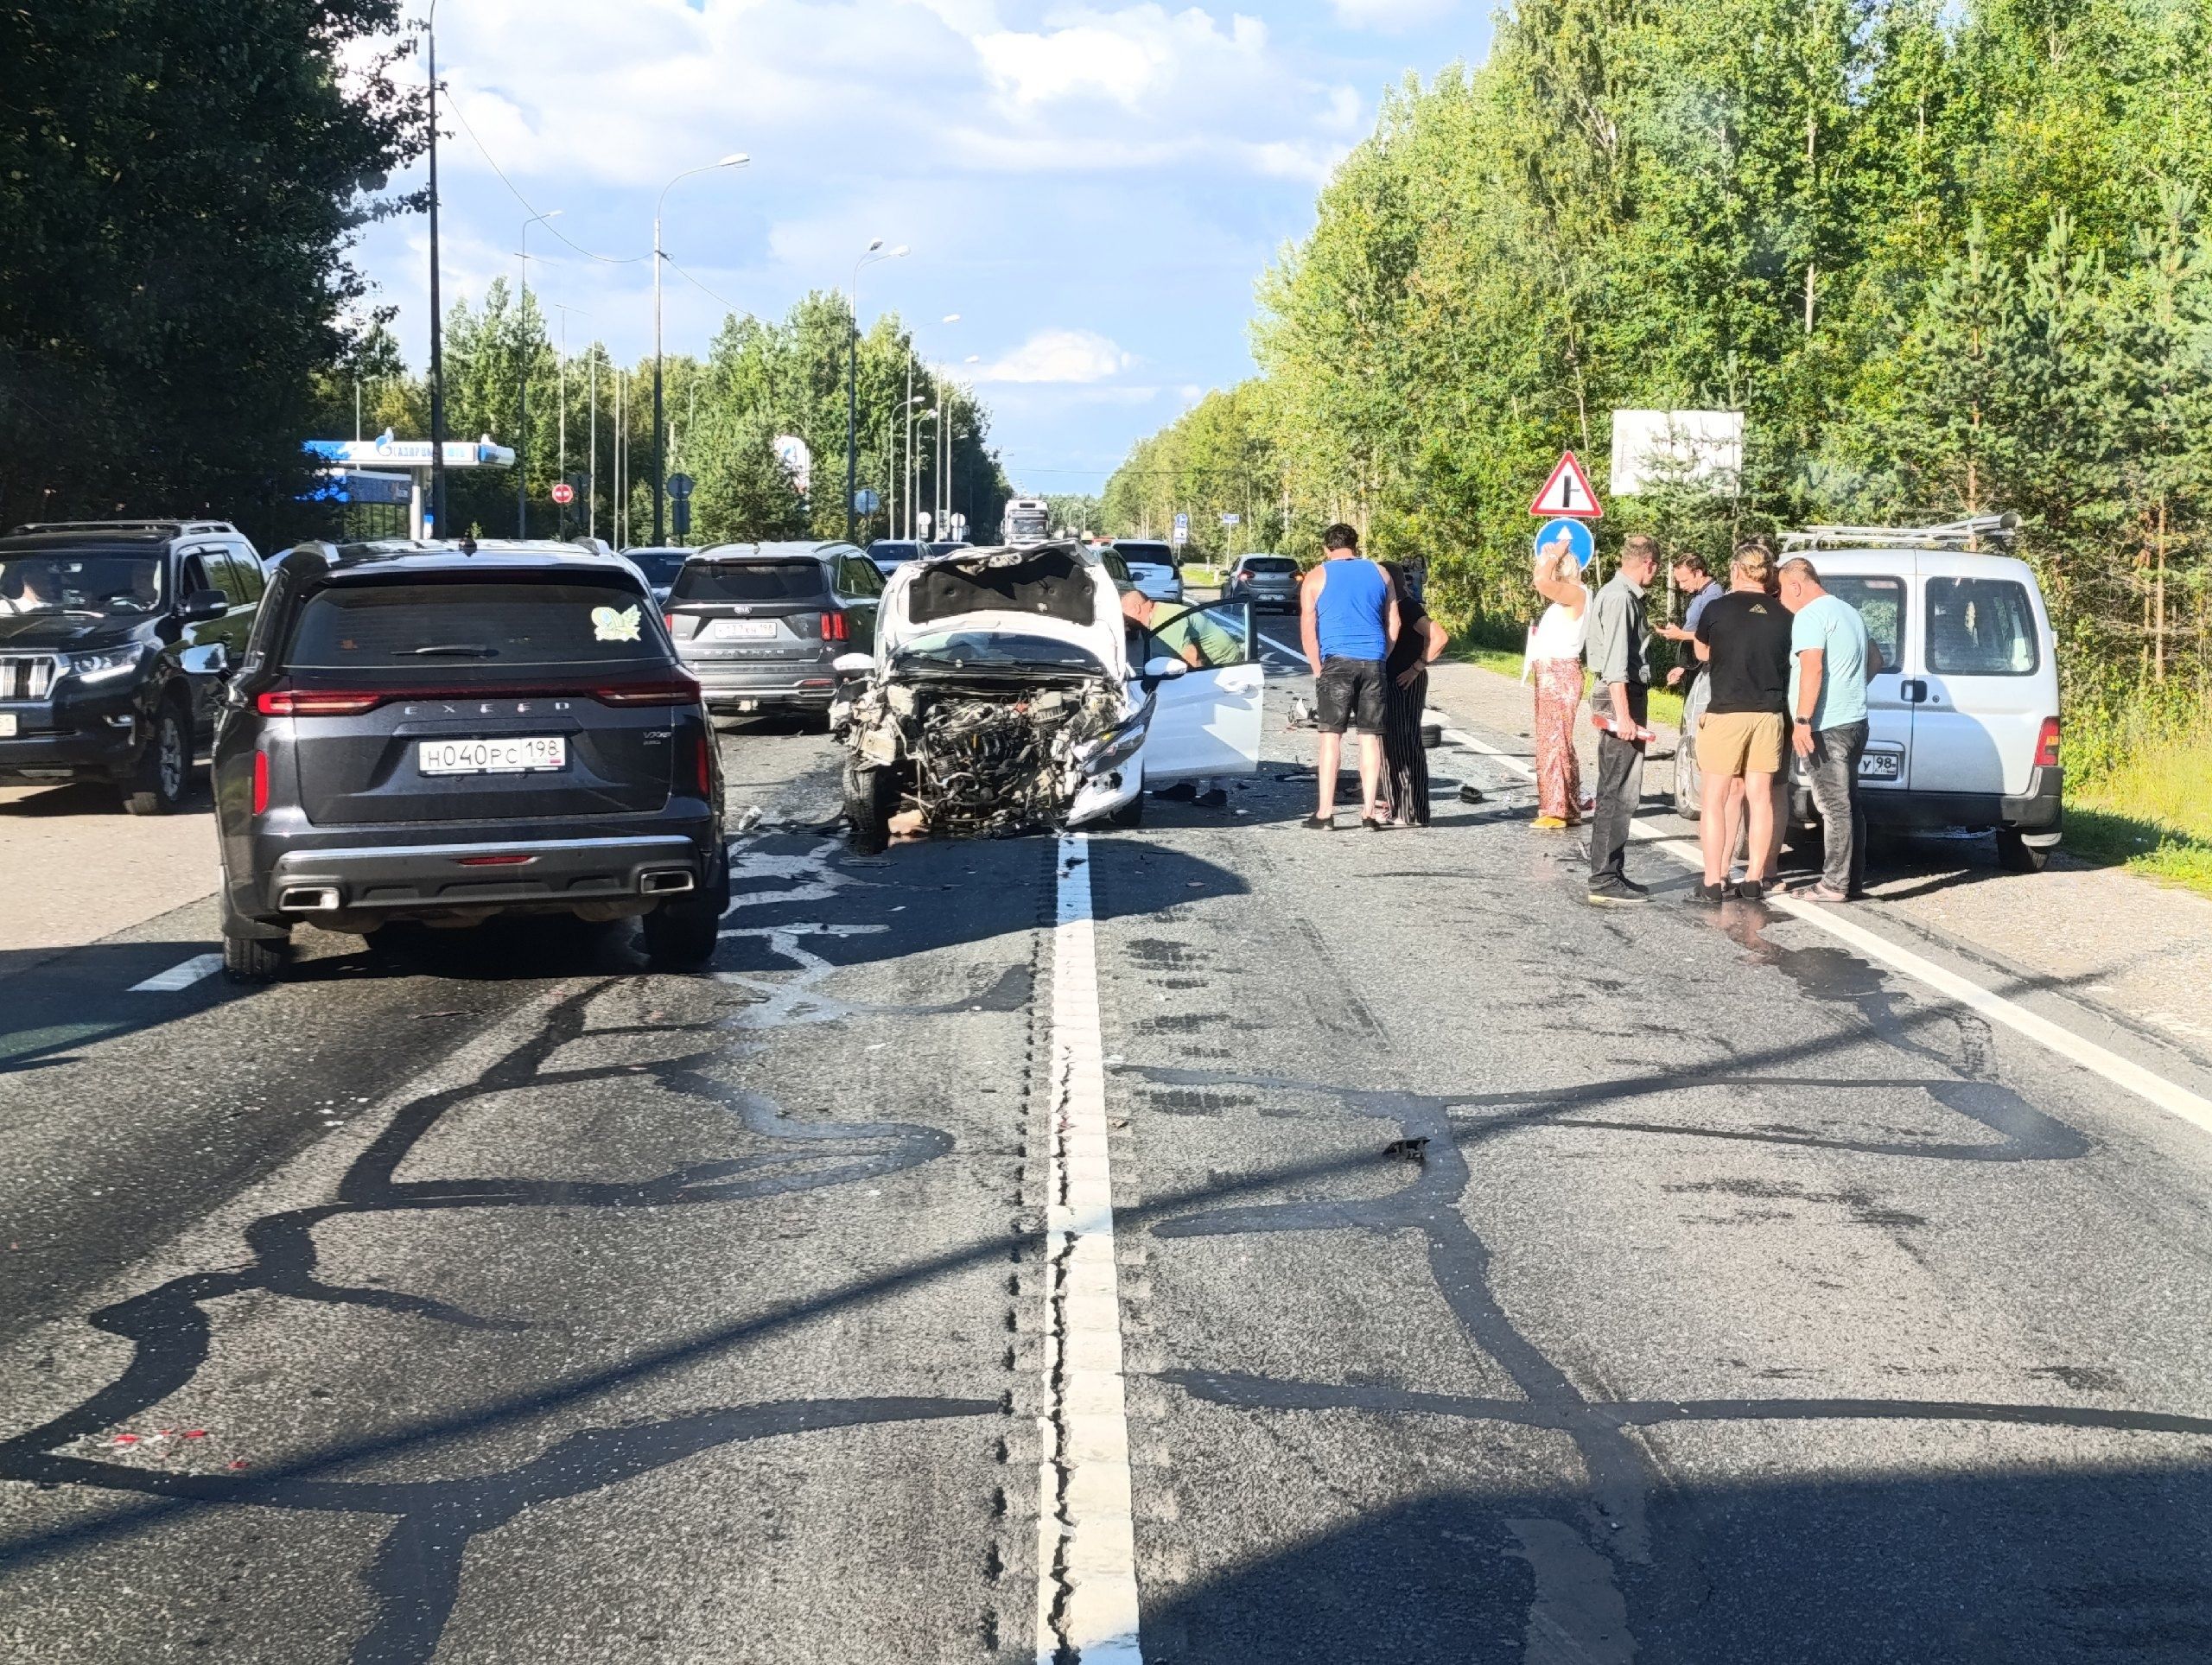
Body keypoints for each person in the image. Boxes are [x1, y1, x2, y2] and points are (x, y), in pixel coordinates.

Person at [1690, 543, 1791, 902]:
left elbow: (1702, 652)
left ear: (1736, 571)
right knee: (1760, 797)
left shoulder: (1717, 608)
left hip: (1727, 710)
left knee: (1715, 798)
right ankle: (1753, 880)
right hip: (1769, 715)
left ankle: (1713, 880)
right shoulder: (1784, 614)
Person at [1780, 555, 1881, 901]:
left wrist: (1803, 720)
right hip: (1855, 720)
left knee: (1833, 807)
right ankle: (1851, 881)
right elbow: (1876, 660)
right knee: (1850, 804)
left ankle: (1834, 884)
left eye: (1782, 591)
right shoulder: (1849, 612)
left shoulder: (1810, 615)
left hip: (1826, 725)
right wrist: (1851, 686)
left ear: (1796, 584)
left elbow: (1813, 669)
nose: (1782, 600)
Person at [1299, 523, 1397, 829]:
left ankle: (1325, 813)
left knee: (1331, 738)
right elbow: (1394, 622)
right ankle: (1369, 814)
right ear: (1356, 545)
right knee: (1370, 738)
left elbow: (1308, 631)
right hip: (1373, 660)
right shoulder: (1381, 573)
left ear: (1327, 548)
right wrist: (1383, 656)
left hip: (1336, 662)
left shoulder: (1316, 576)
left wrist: (1318, 669)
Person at [1585, 533, 1659, 904]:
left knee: (1617, 788)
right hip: (1621, 696)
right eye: (1655, 567)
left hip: (1622, 695)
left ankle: (1610, 871)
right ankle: (1604, 878)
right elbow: (1616, 665)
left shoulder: (1617, 594)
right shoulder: (1620, 599)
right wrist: (1625, 716)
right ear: (1648, 563)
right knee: (1619, 790)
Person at [1379, 560, 1448, 827]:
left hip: (1406, 681)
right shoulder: (1391, 608)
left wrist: (1417, 667)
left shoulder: (1407, 607)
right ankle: (1396, 807)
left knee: (1406, 743)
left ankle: (1413, 811)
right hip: (1391, 679)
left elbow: (1439, 637)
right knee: (1389, 744)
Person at [1528, 540, 1591, 829]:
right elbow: (1540, 579)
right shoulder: (1568, 597)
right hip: (1551, 672)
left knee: (1555, 741)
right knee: (1557, 741)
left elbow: (1540, 580)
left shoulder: (1576, 593)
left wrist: (1554, 554)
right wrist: (1549, 557)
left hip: (1560, 673)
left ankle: (1557, 809)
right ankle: (1569, 805)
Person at [1656, 552, 1723, 691]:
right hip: (1694, 665)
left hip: (1706, 669)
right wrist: (1683, 667)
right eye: (1678, 581)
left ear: (1698, 573)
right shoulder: (1698, 594)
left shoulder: (1713, 596)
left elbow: (1715, 636)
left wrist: (1680, 635)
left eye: (1684, 581)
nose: (1681, 586)